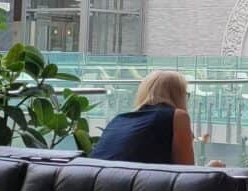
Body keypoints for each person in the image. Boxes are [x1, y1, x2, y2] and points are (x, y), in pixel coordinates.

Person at [91, 69, 224, 167]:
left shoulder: (118, 119)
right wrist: (210, 169)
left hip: (96, 189)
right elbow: (185, 175)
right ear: (179, 95)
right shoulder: (178, 116)